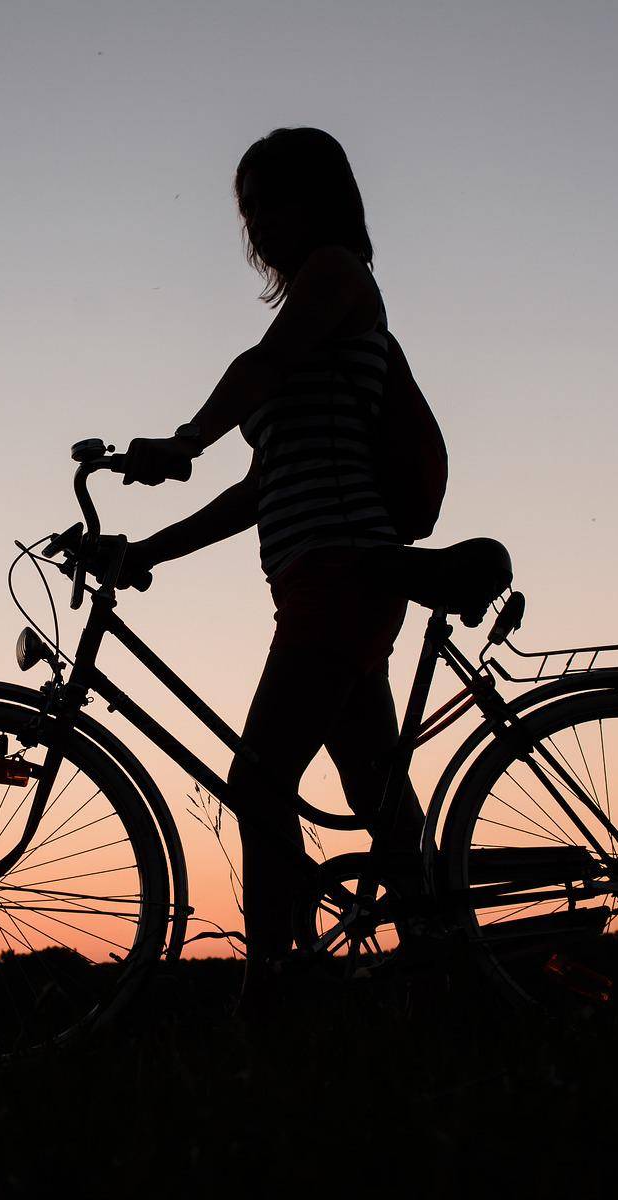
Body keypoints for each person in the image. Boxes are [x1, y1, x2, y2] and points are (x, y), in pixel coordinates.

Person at [117, 126, 429, 1010]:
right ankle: (444, 963)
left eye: (267, 199)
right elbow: (258, 492)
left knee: (258, 782)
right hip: (323, 579)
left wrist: (184, 440)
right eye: (245, 207)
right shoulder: (315, 312)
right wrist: (149, 552)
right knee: (375, 790)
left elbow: (262, 367)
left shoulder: (335, 279)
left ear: (318, 199)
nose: (253, 222)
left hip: (342, 573)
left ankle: (279, 989)